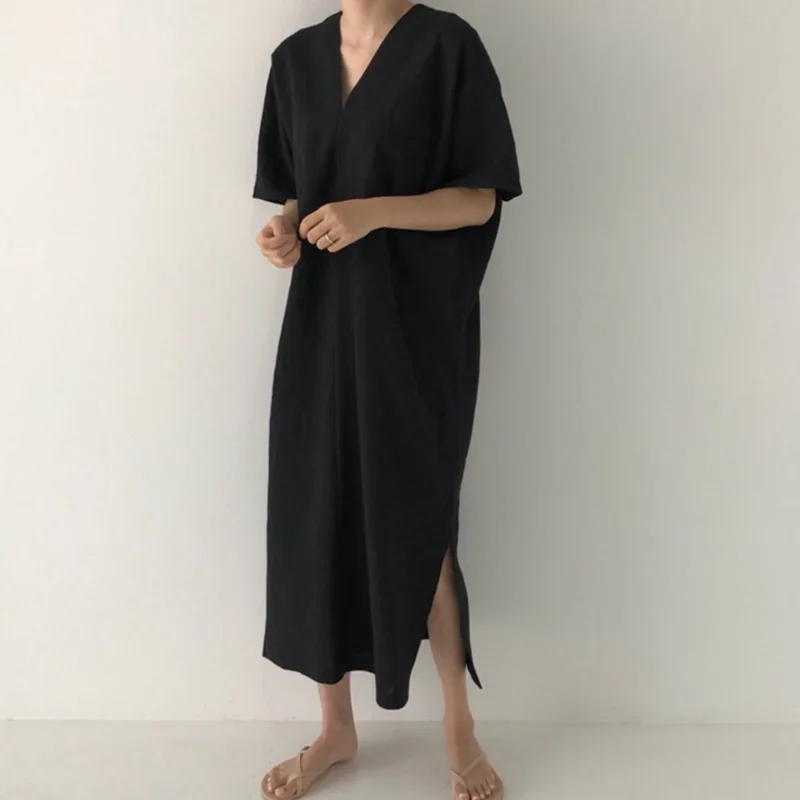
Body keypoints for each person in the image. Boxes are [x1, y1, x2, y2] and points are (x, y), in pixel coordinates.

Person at [253, 2, 521, 799]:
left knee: (420, 520)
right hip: (320, 327)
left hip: (413, 330)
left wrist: (371, 213)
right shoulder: (295, 61)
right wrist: (285, 229)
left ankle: (459, 728)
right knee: (318, 514)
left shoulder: (447, 47)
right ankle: (335, 728)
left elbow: (479, 197)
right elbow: (297, 191)